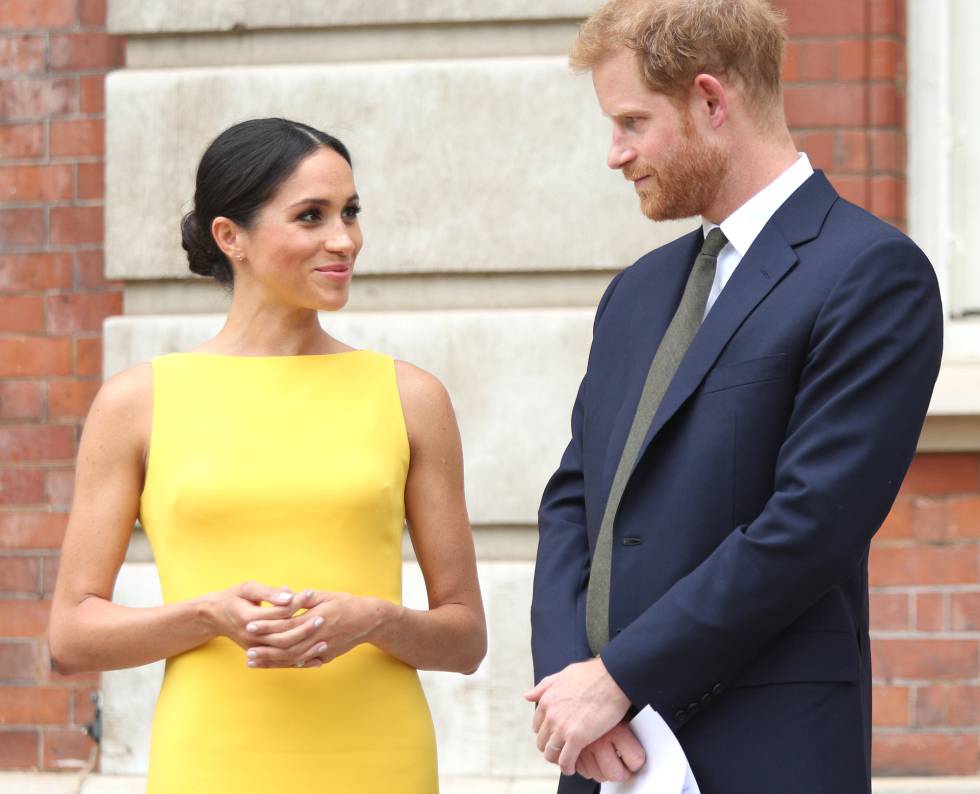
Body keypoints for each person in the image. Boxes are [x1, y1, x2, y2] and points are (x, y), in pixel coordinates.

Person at [526, 2, 943, 792]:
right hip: (604, 752)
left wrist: (619, 676)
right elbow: (574, 501)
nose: (615, 154)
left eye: (631, 123)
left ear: (712, 102)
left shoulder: (871, 274)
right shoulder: (637, 293)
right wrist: (569, 687)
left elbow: (809, 526)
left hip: (765, 749)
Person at [48, 117, 487, 793]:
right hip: (212, 758)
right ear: (232, 238)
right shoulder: (138, 402)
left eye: (350, 212)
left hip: (378, 758)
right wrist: (206, 614)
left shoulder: (411, 397)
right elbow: (72, 635)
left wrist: (373, 618)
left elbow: (464, 639)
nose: (344, 240)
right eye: (310, 216)